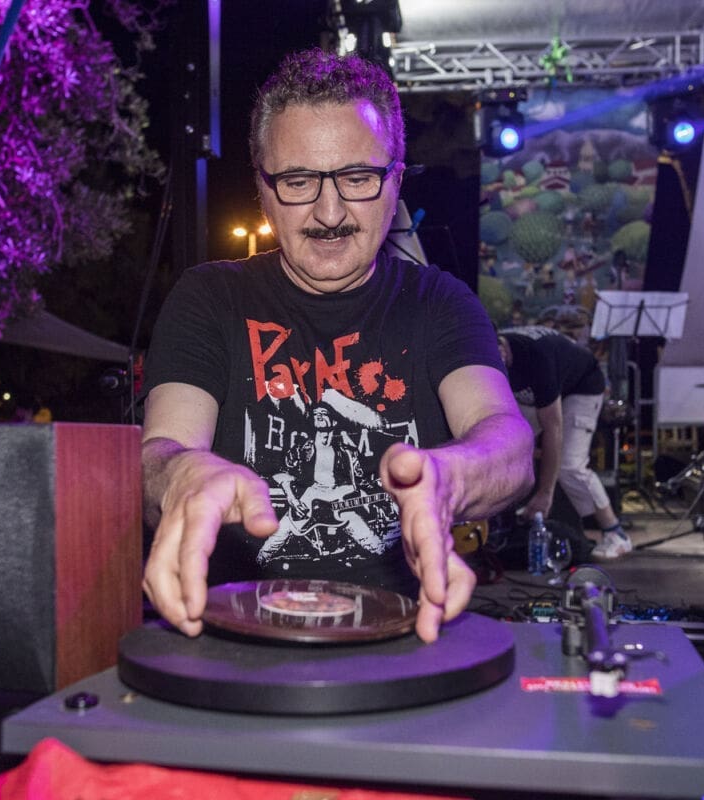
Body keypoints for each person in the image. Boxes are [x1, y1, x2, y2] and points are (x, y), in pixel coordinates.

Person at [140, 48, 533, 643]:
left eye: (357, 178)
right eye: (298, 181)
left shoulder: (441, 302)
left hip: (405, 643)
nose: (329, 213)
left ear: (396, 180)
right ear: (263, 189)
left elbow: (507, 440)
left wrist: (449, 476)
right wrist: (180, 477)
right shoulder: (208, 298)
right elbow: (161, 450)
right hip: (228, 642)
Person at [497, 325, 632, 559]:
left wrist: (545, 493)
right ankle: (504, 523)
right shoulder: (490, 356)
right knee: (506, 446)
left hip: (581, 386)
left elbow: (553, 428)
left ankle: (615, 532)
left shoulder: (536, 359)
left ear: (501, 347)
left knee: (570, 465)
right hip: (540, 392)